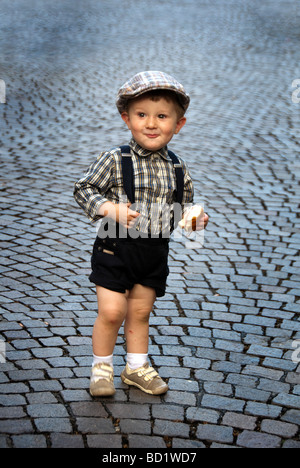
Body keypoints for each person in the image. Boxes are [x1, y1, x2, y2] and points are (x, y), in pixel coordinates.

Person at [74, 71, 209, 397]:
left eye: (162, 116)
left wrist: (193, 220)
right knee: (111, 312)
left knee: (140, 312)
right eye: (141, 115)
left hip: (153, 253)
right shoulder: (115, 159)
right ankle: (101, 368)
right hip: (113, 248)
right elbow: (84, 189)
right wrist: (109, 208)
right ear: (127, 118)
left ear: (178, 124)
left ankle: (136, 367)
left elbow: (183, 206)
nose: (151, 123)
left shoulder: (177, 167)